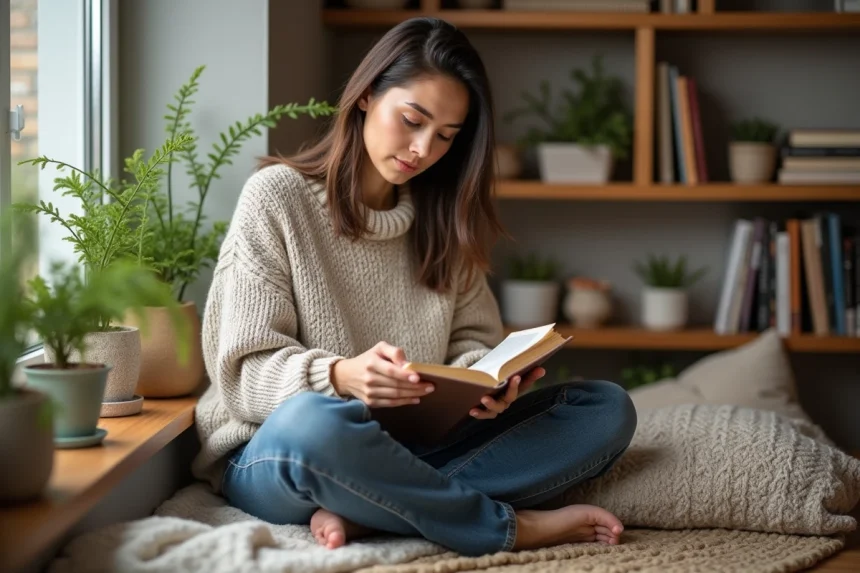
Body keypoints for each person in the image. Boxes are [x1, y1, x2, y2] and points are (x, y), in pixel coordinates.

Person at [192, 16, 637, 558]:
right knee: (315, 424)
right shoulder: (276, 198)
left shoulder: (443, 220)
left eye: (446, 136)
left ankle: (372, 503)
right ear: (366, 95)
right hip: (275, 451)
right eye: (412, 120)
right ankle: (503, 526)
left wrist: (485, 384)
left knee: (603, 408)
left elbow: (472, 342)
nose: (423, 148)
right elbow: (241, 374)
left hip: (415, 447)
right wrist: (340, 375)